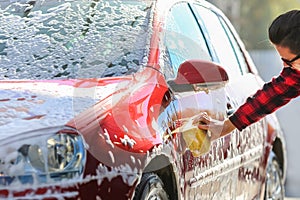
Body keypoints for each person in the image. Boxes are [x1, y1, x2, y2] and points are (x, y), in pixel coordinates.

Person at [196, 9, 300, 140]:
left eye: (288, 61)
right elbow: (268, 99)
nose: (285, 66)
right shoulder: (295, 74)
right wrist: (225, 127)